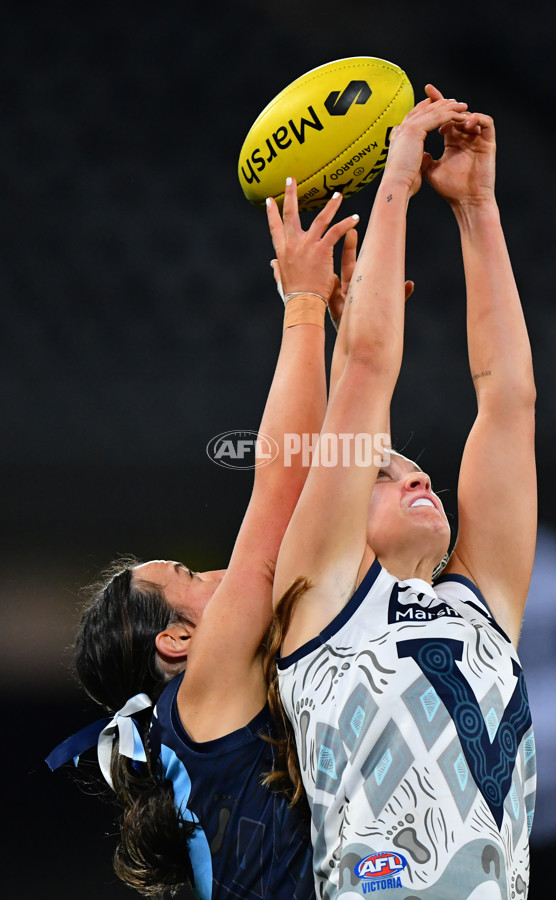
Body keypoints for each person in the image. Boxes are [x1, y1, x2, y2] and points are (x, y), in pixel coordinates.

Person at [45, 183, 360, 899]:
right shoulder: (202, 698)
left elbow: (332, 488)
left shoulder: (229, 716)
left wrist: (350, 340)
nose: (222, 572)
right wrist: (304, 306)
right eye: (188, 573)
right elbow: (283, 487)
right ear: (178, 642)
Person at [266, 85, 538, 899]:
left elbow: (508, 399)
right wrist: (395, 183)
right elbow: (371, 366)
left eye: (408, 467)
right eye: (380, 471)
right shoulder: (318, 601)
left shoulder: (479, 606)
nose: (415, 471)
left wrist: (477, 208)